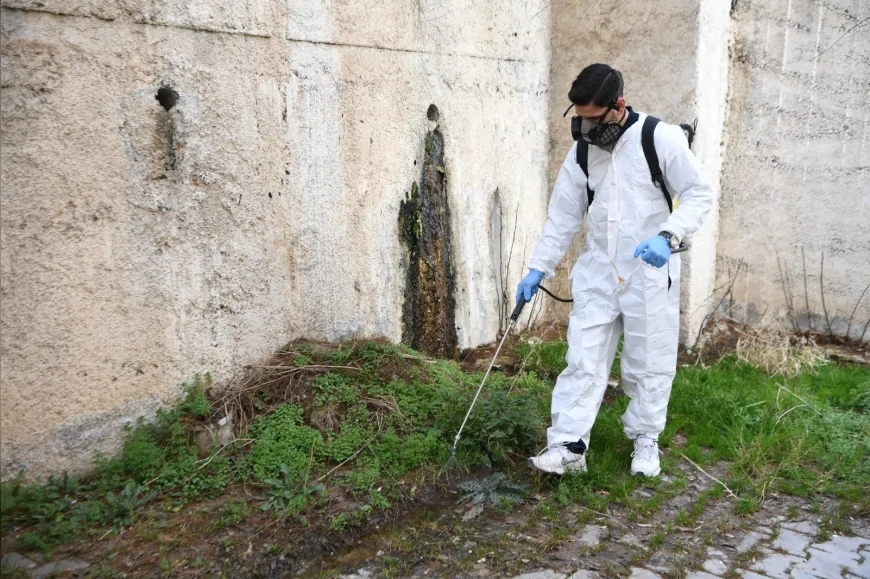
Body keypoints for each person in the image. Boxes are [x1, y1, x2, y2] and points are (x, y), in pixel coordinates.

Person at [517, 63, 713, 477]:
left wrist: (668, 235)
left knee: (649, 360)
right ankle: (569, 447)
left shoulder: (659, 138)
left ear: (619, 106)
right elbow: (563, 216)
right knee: (583, 359)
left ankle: (645, 440)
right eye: (579, 118)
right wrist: (538, 267)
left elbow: (698, 193)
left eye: (593, 119)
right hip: (599, 273)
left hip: (648, 273)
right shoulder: (582, 151)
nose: (585, 128)